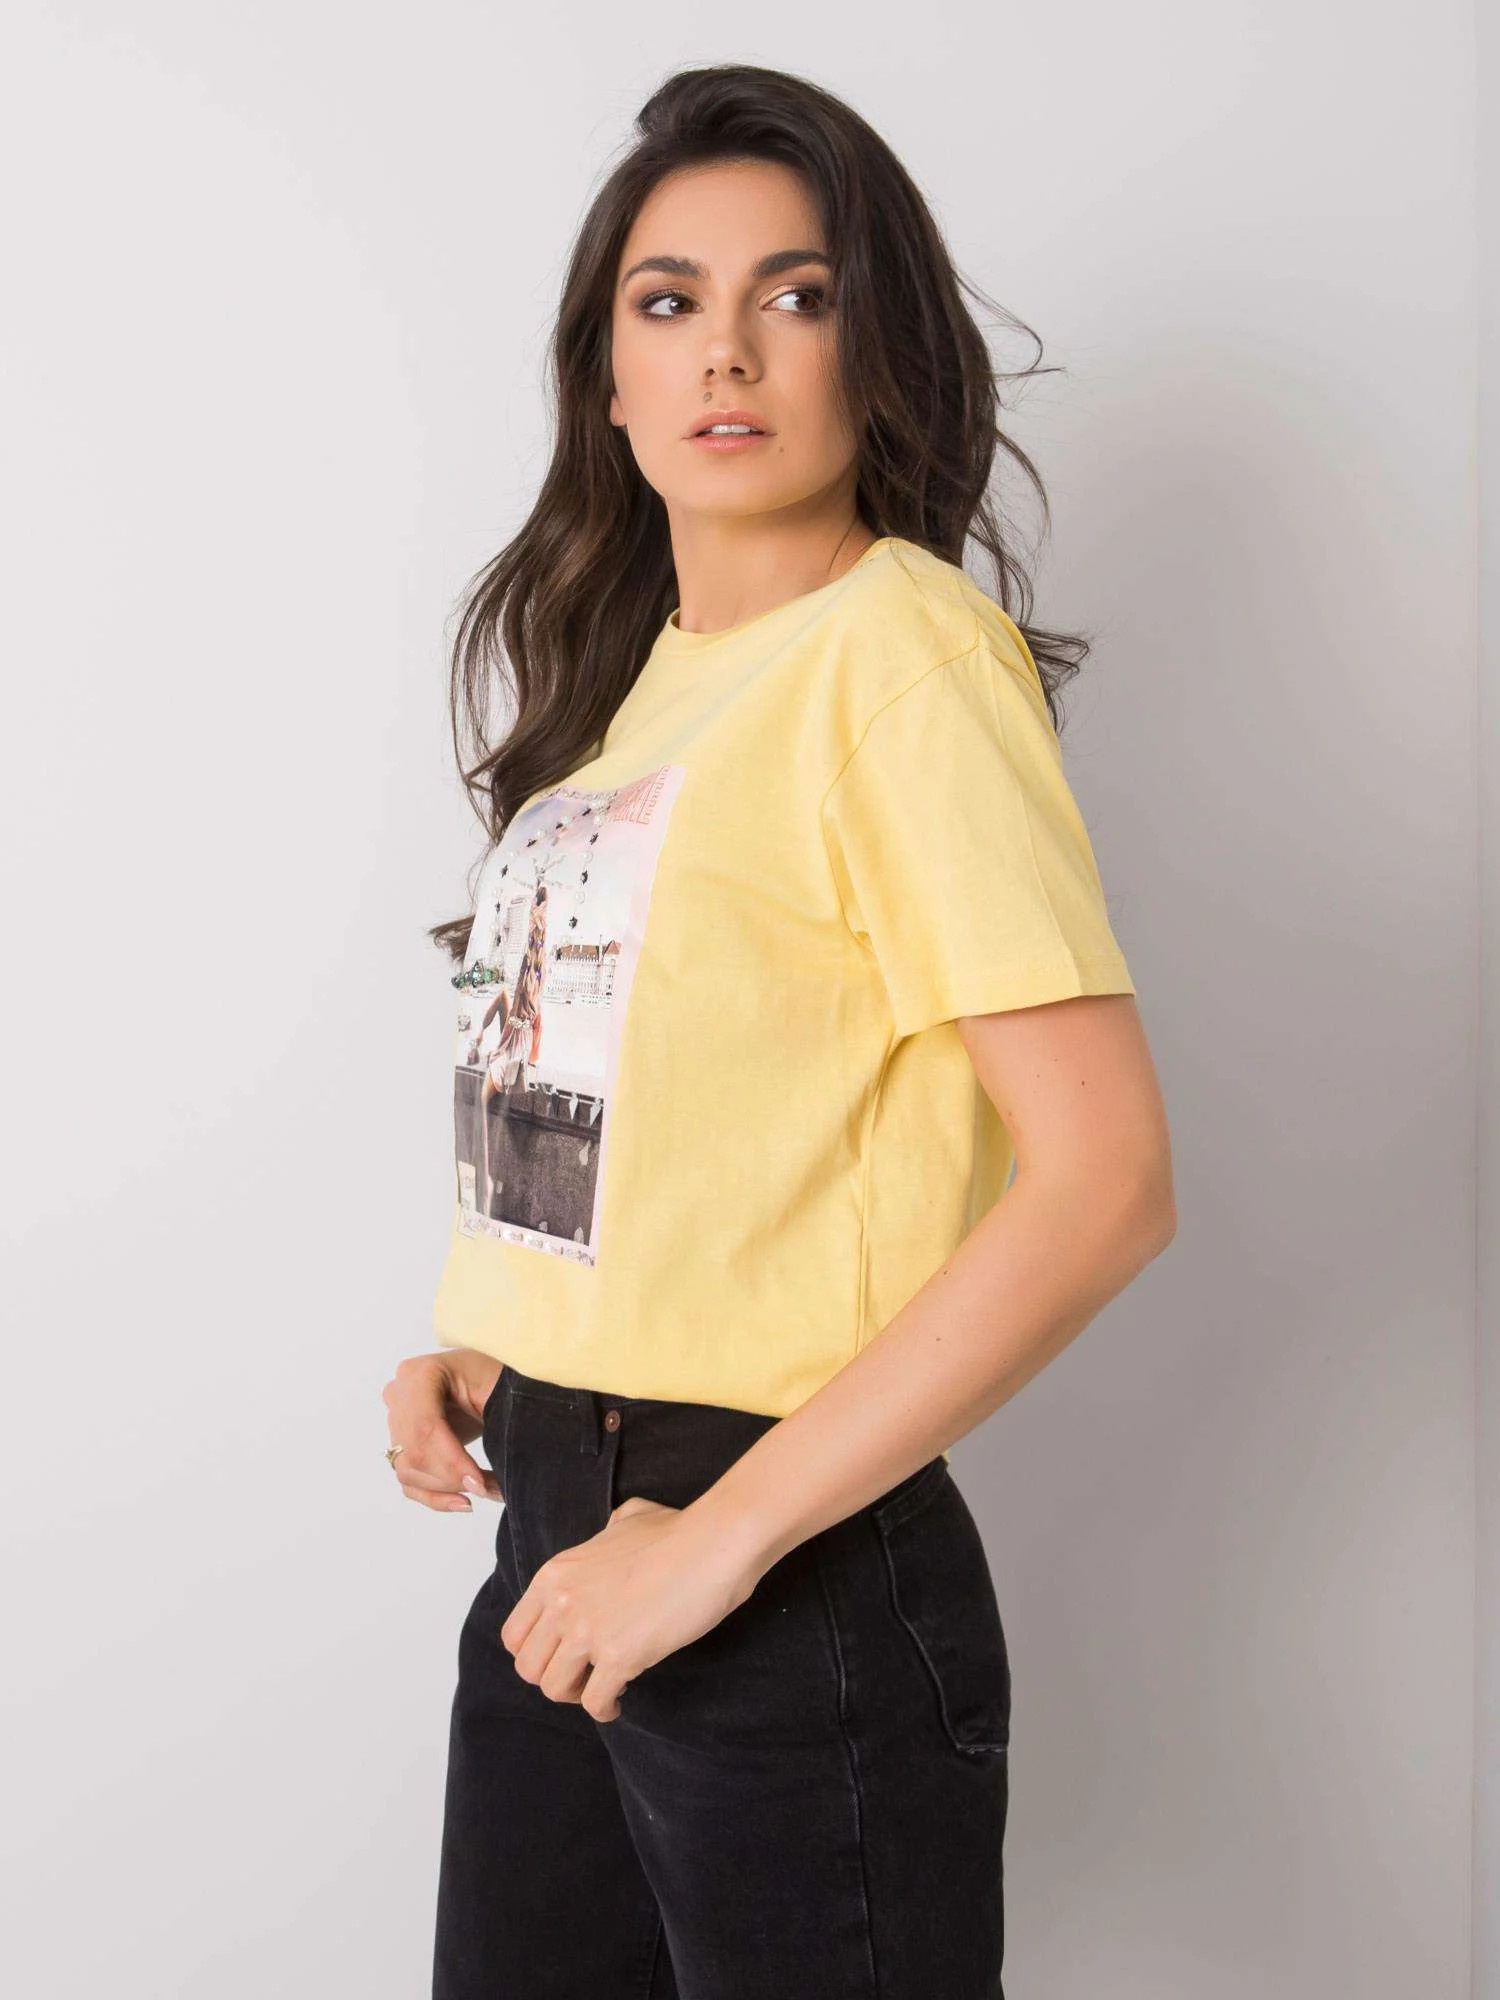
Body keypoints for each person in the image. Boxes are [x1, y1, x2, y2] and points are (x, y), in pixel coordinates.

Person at [382, 61, 1175, 2000]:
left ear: (872, 348)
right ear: (608, 374)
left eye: (795, 295)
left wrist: (714, 1545)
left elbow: (1107, 1184)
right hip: (562, 1524)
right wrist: (515, 1334)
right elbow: (706, 1085)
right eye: (669, 301)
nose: (727, 350)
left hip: (772, 1562)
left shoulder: (898, 653)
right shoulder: (640, 688)